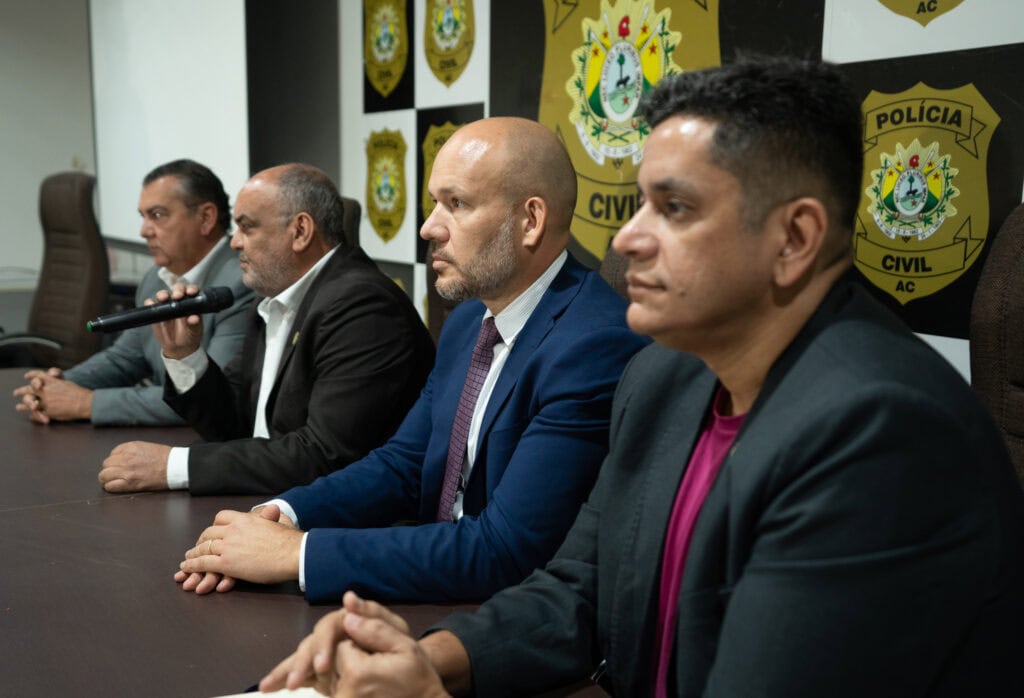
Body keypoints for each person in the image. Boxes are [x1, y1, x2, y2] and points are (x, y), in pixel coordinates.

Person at [260, 57, 1024, 697]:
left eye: (674, 208)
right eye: (636, 205)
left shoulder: (880, 432)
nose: (627, 239)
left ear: (795, 238)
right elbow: (579, 589)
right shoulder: (662, 379)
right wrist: (426, 659)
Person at [173, 117, 649, 602]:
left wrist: (297, 554)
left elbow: (506, 552)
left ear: (530, 221)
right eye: (433, 204)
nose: (428, 227)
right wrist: (280, 515)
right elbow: (405, 463)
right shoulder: (468, 321)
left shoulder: (592, 347)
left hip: (500, 613)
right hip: (429, 575)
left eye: (456, 204)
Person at [97, 163, 435, 495]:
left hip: (344, 523)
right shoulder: (275, 297)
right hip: (271, 496)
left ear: (300, 231)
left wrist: (174, 466)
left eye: (247, 227)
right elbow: (232, 426)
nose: (234, 242)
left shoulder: (363, 307)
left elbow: (325, 455)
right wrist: (185, 355)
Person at [13, 159, 252, 426]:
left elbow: (211, 398)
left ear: (206, 218)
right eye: (143, 217)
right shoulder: (155, 278)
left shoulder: (241, 284)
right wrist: (59, 384)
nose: (144, 231)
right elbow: (125, 358)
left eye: (158, 215)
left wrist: (85, 403)